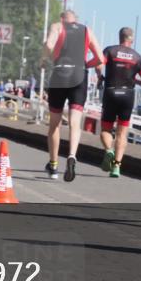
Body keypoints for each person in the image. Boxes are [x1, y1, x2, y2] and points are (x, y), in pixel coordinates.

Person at [41, 10, 105, 181]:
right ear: (76, 20)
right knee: (75, 122)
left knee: (54, 124)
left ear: (62, 19)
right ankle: (71, 156)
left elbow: (48, 45)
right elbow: (100, 58)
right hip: (79, 75)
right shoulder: (86, 30)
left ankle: (53, 165)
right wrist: (86, 65)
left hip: (59, 73)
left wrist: (44, 59)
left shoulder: (57, 26)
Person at [99, 27, 141, 178]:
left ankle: (109, 150)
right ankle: (116, 167)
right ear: (131, 39)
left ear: (119, 37)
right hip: (127, 95)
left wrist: (100, 77)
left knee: (106, 129)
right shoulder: (137, 57)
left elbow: (99, 65)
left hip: (111, 92)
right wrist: (136, 81)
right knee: (122, 133)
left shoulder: (110, 51)